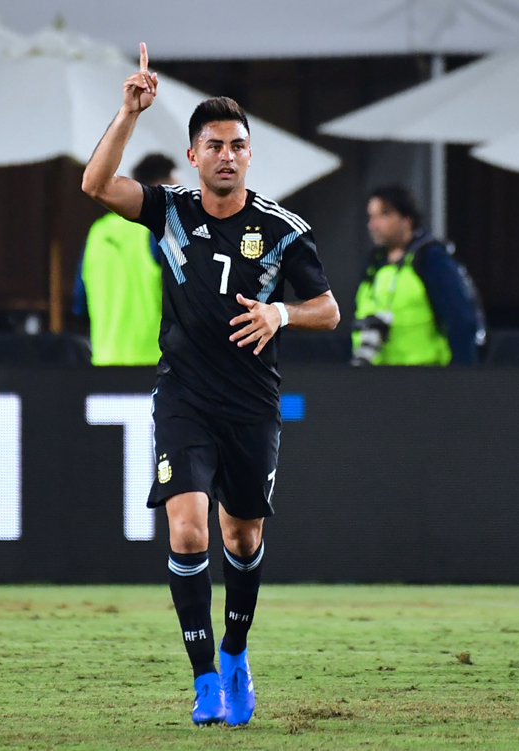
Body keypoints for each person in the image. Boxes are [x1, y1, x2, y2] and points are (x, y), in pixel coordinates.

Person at [81, 44, 340, 727]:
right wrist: (130, 112)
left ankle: (233, 653)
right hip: (185, 397)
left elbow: (329, 309)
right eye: (214, 145)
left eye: (238, 145)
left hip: (252, 403)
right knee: (188, 525)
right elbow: (96, 185)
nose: (227, 155)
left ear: (250, 155)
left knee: (244, 536)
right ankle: (203, 680)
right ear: (193, 155)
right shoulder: (167, 211)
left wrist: (281, 311)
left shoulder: (283, 231)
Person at [352, 186, 478, 365]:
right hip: (378, 376)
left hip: (426, 378)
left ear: (406, 219)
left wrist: (463, 380)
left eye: (383, 215)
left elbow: (460, 320)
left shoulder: (431, 259)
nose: (374, 225)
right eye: (371, 217)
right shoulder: (373, 266)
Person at [74, 153, 178, 365]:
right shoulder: (158, 231)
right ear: (160, 188)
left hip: (104, 368)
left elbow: (79, 305)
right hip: (154, 370)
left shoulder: (97, 233)